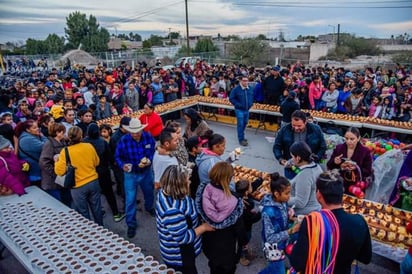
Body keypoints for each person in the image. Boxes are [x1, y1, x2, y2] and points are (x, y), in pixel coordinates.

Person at [290, 170, 372, 274]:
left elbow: (298, 263)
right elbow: (365, 258)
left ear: (319, 194)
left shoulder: (312, 222)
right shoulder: (359, 222)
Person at [155, 165, 214, 273]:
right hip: (179, 256)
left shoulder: (171, 192)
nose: (189, 182)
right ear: (179, 186)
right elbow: (183, 238)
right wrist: (204, 227)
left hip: (186, 252)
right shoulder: (172, 211)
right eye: (187, 180)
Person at [196, 162, 246, 274]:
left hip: (210, 243)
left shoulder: (205, 190)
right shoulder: (234, 201)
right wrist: (243, 242)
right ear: (228, 179)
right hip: (227, 247)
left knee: (213, 267)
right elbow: (240, 229)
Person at [114, 118, 156, 238]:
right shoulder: (124, 140)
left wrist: (149, 160)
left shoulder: (148, 137)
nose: (136, 134)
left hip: (146, 172)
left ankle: (149, 207)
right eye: (133, 132)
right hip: (131, 174)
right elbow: (117, 156)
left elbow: (153, 151)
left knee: (149, 192)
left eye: (138, 132)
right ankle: (131, 224)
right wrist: (123, 166)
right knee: (130, 199)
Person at [54, 126, 103, 226]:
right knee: (97, 208)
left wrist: (56, 161)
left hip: (78, 186)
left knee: (83, 211)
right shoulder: (89, 146)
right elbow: (97, 162)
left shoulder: (65, 151)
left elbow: (59, 171)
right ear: (81, 136)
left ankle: (91, 231)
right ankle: (101, 228)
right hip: (93, 181)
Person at [259, 172, 299, 274]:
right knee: (279, 271)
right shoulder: (268, 212)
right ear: (276, 194)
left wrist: (288, 214)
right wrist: (291, 231)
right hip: (273, 248)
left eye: (290, 192)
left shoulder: (281, 201)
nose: (289, 196)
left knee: (275, 270)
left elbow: (282, 212)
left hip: (282, 241)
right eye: (287, 193)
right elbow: (270, 238)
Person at [83, 123, 124, 223]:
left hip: (89, 172)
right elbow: (110, 157)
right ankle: (116, 214)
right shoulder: (102, 142)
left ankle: (98, 214)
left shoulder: (84, 143)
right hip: (103, 172)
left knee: (94, 196)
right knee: (109, 193)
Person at [273, 110, 326, 179]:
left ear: (305, 122)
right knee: (291, 187)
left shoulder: (315, 129)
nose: (296, 128)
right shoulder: (284, 130)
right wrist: (280, 158)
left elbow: (323, 146)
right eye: (293, 125)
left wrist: (317, 158)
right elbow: (277, 146)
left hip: (309, 167)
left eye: (299, 126)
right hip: (291, 168)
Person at [327, 127, 373, 194]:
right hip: (339, 184)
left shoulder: (365, 151)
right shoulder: (339, 148)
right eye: (346, 138)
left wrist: (356, 168)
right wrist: (335, 162)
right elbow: (329, 165)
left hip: (356, 186)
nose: (348, 141)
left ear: (358, 138)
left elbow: (368, 171)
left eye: (352, 139)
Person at [39, 123, 71, 206]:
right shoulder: (49, 144)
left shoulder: (63, 142)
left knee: (67, 201)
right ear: (57, 133)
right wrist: (55, 173)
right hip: (53, 181)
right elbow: (43, 162)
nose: (64, 134)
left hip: (63, 179)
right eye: (63, 132)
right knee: (60, 204)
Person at [287, 141, 322, 215]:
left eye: (292, 157)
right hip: (316, 208)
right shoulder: (316, 166)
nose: (291, 159)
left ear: (298, 158)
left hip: (304, 213)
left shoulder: (305, 175)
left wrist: (281, 198)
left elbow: (300, 202)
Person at [236, 179, 262, 266]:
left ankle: (246, 252)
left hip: (245, 225)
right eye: (250, 186)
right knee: (244, 241)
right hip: (244, 228)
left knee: (246, 241)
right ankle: (241, 256)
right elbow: (250, 219)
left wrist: (260, 179)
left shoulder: (242, 195)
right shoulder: (244, 205)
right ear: (246, 192)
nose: (252, 187)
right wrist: (259, 213)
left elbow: (254, 186)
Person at [15, 119, 47, 186]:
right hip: (35, 173)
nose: (38, 129)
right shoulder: (27, 139)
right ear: (28, 130)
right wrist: (43, 137)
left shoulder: (33, 135)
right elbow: (46, 146)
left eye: (37, 127)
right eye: (34, 128)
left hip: (38, 171)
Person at [229, 76, 254, 146]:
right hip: (239, 109)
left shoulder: (250, 89)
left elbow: (252, 97)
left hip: (247, 109)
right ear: (241, 81)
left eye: (247, 80)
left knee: (245, 123)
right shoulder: (236, 89)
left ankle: (241, 135)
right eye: (244, 80)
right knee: (240, 124)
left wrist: (251, 103)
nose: (246, 82)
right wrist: (238, 104)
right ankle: (241, 139)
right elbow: (231, 98)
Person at [110, 116, 131, 197]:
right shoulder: (116, 137)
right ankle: (127, 200)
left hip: (125, 161)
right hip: (119, 164)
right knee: (124, 182)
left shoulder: (127, 134)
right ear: (123, 126)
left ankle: (120, 192)